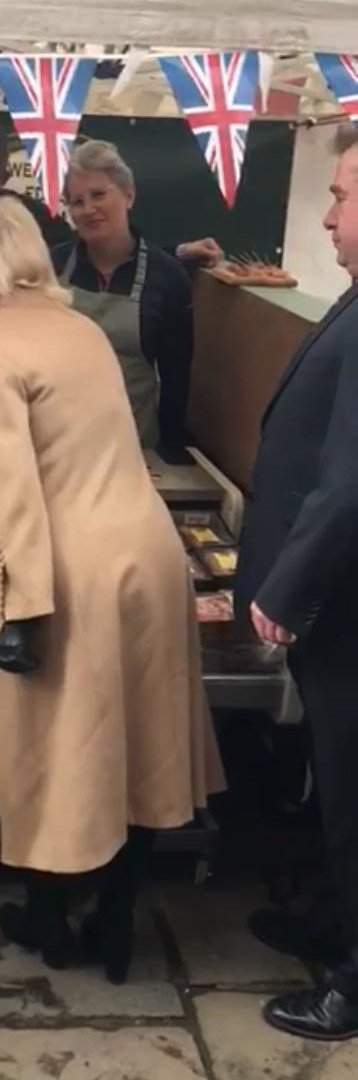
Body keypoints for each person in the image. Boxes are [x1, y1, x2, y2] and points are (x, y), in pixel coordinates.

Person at [0, 198, 224, 980]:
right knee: (142, 745)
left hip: (71, 569)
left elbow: (14, 491)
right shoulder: (84, 328)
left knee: (56, 752)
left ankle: (47, 917)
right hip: (150, 551)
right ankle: (117, 920)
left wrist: (21, 608)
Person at [235, 124, 358, 1041]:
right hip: (334, 603)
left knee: (355, 790)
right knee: (331, 776)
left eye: (342, 197)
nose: (328, 215)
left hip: (346, 605)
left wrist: (286, 586)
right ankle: (332, 921)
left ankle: (354, 981)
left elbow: (351, 477)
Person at [0, 116, 221, 407]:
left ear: (3, 175)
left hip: (3, 398)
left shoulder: (24, 221)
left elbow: (96, 242)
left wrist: (173, 253)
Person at [52, 140, 194, 453]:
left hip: (133, 449)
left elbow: (175, 382)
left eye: (99, 195)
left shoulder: (168, 278)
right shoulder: (51, 268)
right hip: (57, 445)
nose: (88, 209)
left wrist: (169, 457)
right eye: (76, 201)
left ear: (129, 194)